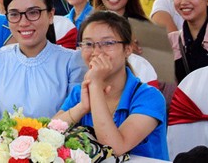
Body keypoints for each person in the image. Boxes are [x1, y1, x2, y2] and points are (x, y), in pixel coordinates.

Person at [0, 0, 86, 120]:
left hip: (59, 140)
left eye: (33, 13)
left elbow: (75, 112)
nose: (23, 23)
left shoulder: (72, 62)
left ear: (51, 15)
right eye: (14, 14)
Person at [55, 11, 168, 160]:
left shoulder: (149, 97)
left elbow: (114, 148)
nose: (96, 52)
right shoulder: (80, 92)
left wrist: (96, 85)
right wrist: (82, 107)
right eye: (88, 44)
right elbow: (49, 132)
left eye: (108, 43)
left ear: (127, 49)